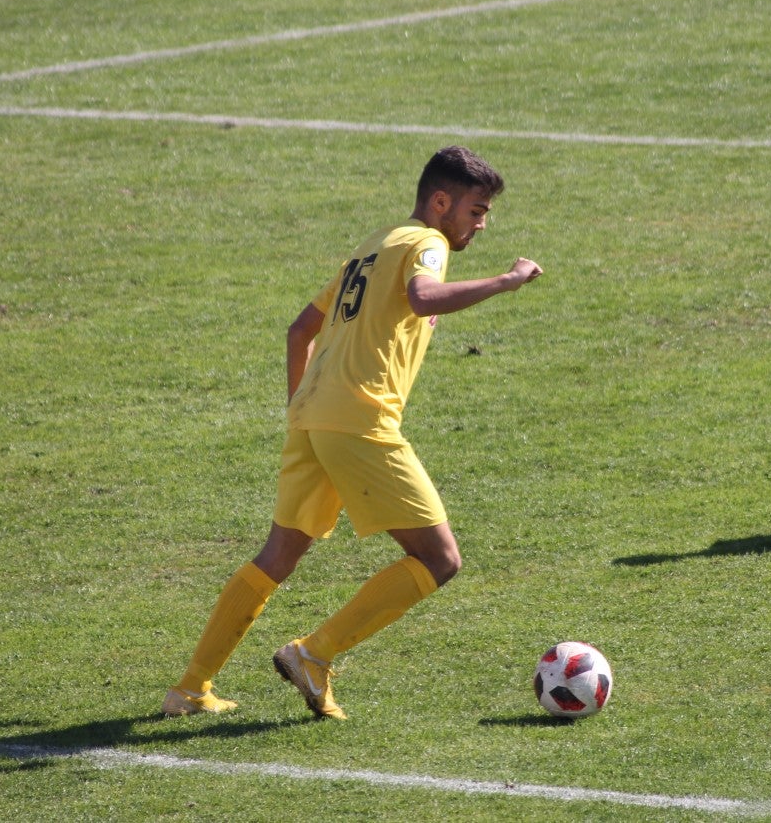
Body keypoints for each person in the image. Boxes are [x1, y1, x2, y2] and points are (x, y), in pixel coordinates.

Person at [161, 146, 543, 719]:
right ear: (442, 202)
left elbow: (299, 331)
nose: (482, 224)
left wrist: (303, 408)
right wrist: (506, 281)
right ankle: (314, 654)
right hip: (360, 420)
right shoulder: (427, 245)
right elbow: (422, 297)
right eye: (476, 210)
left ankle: (190, 688)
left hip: (313, 416)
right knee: (440, 559)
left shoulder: (376, 243)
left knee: (279, 554)